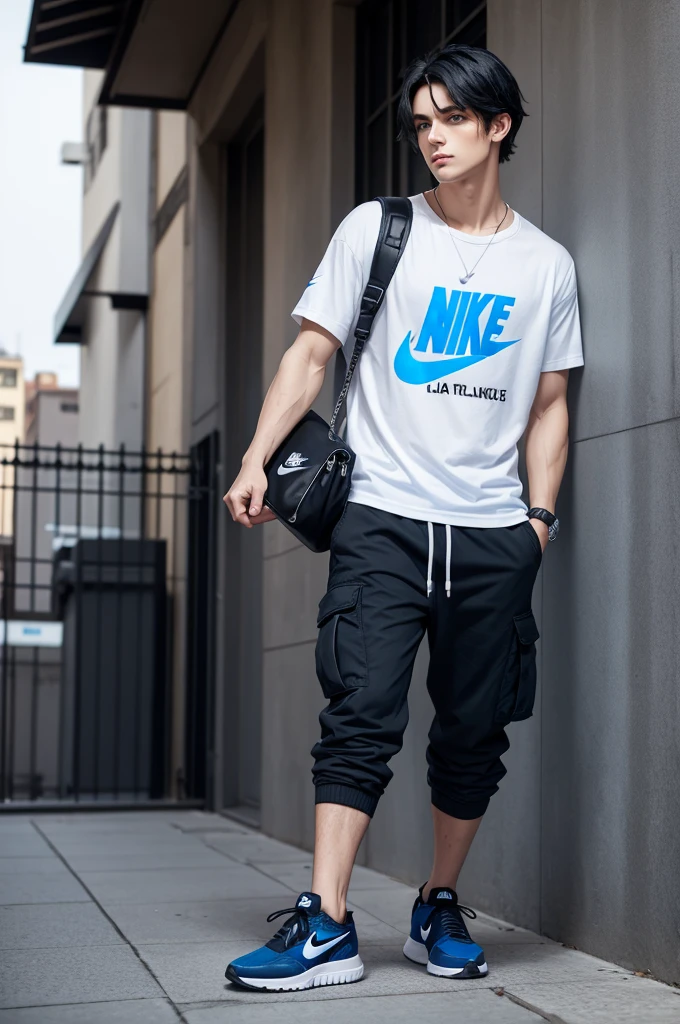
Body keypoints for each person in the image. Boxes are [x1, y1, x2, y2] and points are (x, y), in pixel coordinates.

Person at [223, 43, 584, 992]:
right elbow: (312, 355)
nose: (434, 138)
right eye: (422, 122)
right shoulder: (378, 230)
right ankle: (328, 922)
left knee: (474, 732)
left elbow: (549, 403)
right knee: (361, 712)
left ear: (497, 124)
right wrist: (258, 454)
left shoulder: (545, 265)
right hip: (380, 517)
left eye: (453, 119)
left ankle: (437, 902)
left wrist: (537, 522)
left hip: (493, 534)